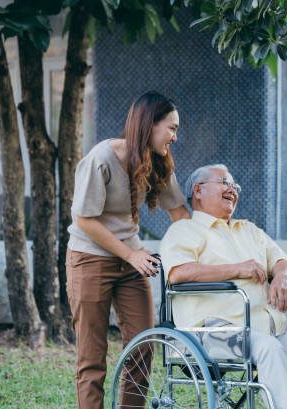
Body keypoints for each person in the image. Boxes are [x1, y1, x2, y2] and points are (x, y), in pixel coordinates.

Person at [159, 164, 287, 409]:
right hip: (214, 331)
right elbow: (179, 273)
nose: (232, 189)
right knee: (271, 350)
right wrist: (237, 268)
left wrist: (280, 278)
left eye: (234, 185)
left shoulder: (248, 229)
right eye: (224, 183)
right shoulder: (184, 230)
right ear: (198, 190)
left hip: (268, 324)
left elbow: (282, 261)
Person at [65, 91, 190, 409]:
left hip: (131, 263)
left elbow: (180, 215)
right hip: (89, 259)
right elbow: (85, 220)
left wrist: (213, 243)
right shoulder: (102, 158)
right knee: (91, 357)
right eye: (171, 128)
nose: (175, 136)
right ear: (149, 125)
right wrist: (131, 255)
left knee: (143, 345)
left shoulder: (157, 163)